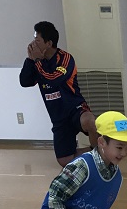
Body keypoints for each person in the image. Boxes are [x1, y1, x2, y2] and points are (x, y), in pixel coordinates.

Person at [19, 21, 98, 166]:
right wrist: (30, 60)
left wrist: (37, 61)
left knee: (89, 121)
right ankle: (95, 152)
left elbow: (54, 79)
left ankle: (101, 157)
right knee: (64, 161)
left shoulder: (65, 58)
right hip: (58, 117)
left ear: (49, 43)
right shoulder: (37, 63)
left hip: (75, 108)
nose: (33, 44)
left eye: (37, 41)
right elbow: (25, 81)